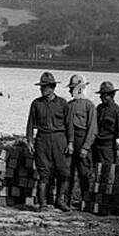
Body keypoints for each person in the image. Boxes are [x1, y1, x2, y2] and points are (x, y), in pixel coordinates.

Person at [26, 71, 70, 212]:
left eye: (44, 86)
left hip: (60, 140)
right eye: (41, 86)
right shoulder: (36, 104)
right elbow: (30, 124)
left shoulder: (63, 103)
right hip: (42, 140)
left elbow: (69, 125)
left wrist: (70, 143)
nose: (41, 89)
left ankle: (60, 200)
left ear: (52, 87)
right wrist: (30, 141)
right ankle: (43, 203)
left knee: (63, 172)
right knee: (43, 173)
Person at [93, 80, 119, 199]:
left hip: (108, 148)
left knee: (108, 174)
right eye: (101, 94)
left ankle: (106, 201)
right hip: (96, 146)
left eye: (104, 94)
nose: (101, 97)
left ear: (111, 95)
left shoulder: (117, 111)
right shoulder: (99, 108)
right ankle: (96, 200)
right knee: (96, 174)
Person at [63, 74, 97, 212]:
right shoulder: (68, 105)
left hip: (83, 141)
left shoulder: (90, 106)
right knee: (67, 174)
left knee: (84, 174)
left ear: (80, 89)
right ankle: (66, 201)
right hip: (70, 143)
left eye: (72, 88)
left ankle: (86, 201)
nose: (70, 91)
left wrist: (86, 147)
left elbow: (93, 129)